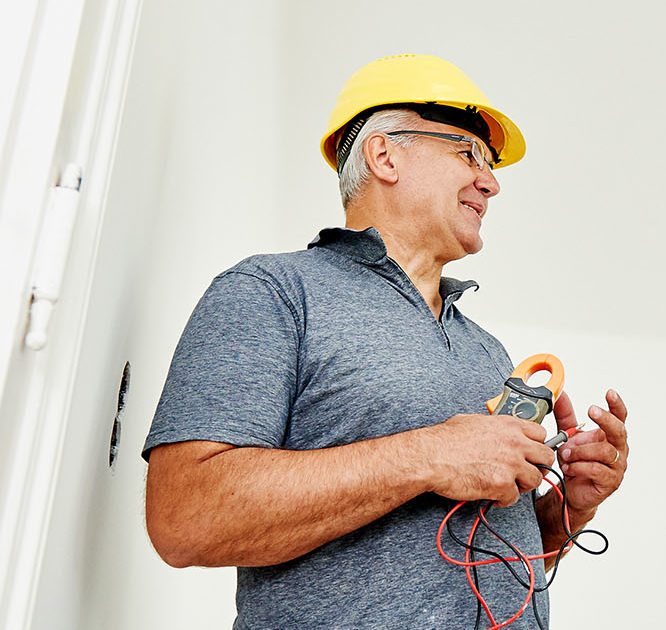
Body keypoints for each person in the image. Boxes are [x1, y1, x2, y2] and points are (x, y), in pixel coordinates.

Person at [142, 54, 630, 629]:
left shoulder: (488, 352)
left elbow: (498, 554)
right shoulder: (272, 293)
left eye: (491, 164)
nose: (491, 182)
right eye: (467, 152)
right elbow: (184, 518)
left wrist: (566, 508)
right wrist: (427, 455)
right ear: (385, 155)